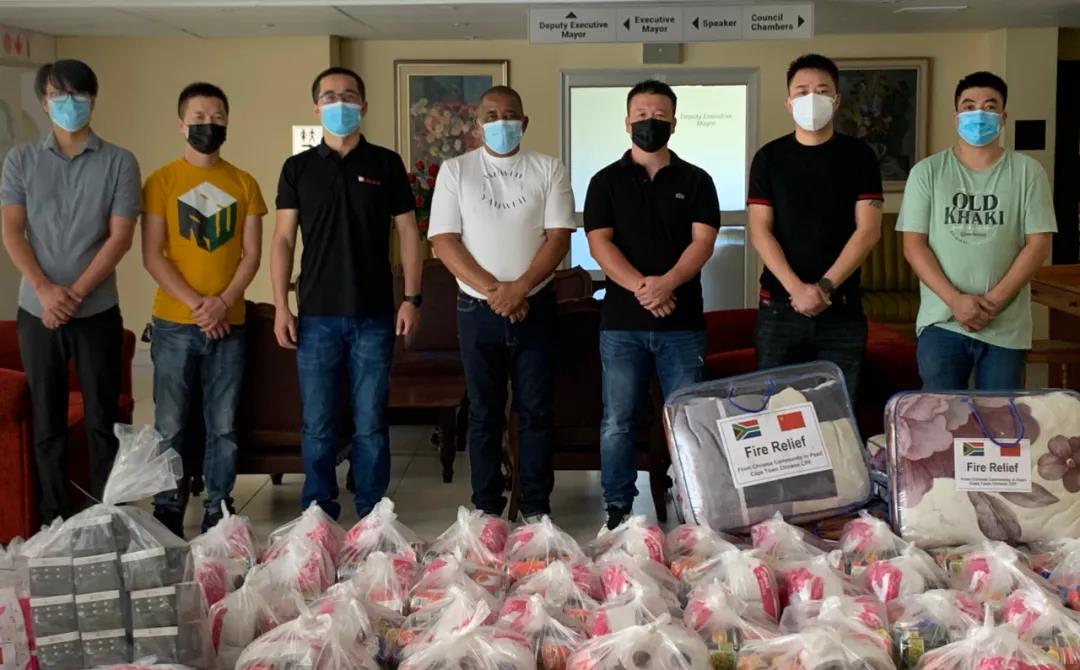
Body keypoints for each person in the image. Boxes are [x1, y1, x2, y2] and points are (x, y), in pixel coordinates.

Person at [272, 67, 422, 520]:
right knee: (317, 424)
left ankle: (374, 513)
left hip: (374, 313)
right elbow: (283, 240)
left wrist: (411, 298)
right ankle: (318, 511)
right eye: (330, 96)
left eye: (350, 95)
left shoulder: (386, 164)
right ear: (316, 107)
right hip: (316, 314)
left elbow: (408, 233)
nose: (341, 103)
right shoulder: (297, 169)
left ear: (364, 105)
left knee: (370, 423)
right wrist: (281, 306)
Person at [0, 59, 140, 523]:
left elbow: (119, 237)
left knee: (104, 420)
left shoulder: (119, 161)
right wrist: (45, 291)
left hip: (96, 310)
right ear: (44, 103)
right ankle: (53, 519)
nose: (69, 104)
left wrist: (73, 294)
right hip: (36, 310)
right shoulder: (20, 159)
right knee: (47, 421)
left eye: (78, 95)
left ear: (93, 100)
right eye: (58, 96)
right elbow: (13, 231)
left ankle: (108, 517)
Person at [429, 86, 574, 523]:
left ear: (524, 123)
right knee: (483, 413)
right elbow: (444, 242)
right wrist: (498, 292)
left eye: (510, 114)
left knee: (535, 411)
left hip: (536, 306)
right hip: (477, 310)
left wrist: (520, 289)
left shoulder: (548, 168)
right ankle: (487, 511)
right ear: (477, 125)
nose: (501, 122)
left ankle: (535, 510)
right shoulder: (456, 171)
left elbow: (559, 238)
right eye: (490, 115)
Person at [584, 80, 721, 531]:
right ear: (627, 122)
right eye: (642, 114)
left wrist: (667, 284)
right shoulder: (605, 181)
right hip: (621, 323)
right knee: (617, 421)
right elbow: (600, 243)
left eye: (659, 115)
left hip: (682, 323)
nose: (650, 122)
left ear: (674, 123)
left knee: (689, 421)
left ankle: (693, 506)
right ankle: (617, 508)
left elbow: (703, 242)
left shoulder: (697, 180)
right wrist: (644, 288)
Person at [142, 82, 266, 536]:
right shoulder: (161, 181)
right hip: (174, 324)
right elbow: (153, 255)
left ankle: (218, 507)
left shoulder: (244, 183)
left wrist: (222, 303)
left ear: (227, 123)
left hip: (229, 324)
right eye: (198, 117)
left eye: (216, 118)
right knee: (170, 425)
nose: (207, 125)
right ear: (181, 124)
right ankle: (167, 508)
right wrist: (200, 305)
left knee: (224, 425)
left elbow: (251, 255)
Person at [898, 71, 1056, 391]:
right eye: (969, 107)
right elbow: (914, 245)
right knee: (941, 415)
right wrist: (955, 301)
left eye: (990, 106)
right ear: (956, 117)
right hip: (941, 322)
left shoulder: (1028, 172)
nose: (979, 114)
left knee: (1000, 416)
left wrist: (991, 304)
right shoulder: (927, 172)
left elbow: (1038, 244)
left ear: (1003, 117)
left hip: (1005, 327)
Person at [747, 53, 883, 401]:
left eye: (822, 91)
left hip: (841, 308)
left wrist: (823, 287)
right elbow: (760, 230)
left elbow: (868, 231)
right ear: (789, 102)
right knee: (776, 410)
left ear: (836, 101)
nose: (812, 98)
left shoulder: (860, 156)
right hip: (779, 307)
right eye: (802, 91)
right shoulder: (769, 158)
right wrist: (797, 289)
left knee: (838, 412)